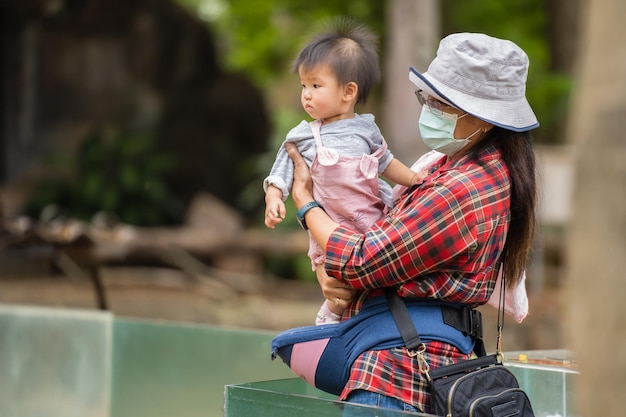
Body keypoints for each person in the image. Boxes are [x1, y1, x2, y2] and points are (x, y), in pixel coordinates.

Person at [284, 32, 539, 414]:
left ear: (483, 118)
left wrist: (305, 202)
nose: (428, 109)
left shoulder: (464, 188)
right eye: (427, 98)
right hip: (430, 365)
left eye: (440, 103)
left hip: (397, 375)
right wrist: (331, 274)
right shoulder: (454, 169)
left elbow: (361, 259)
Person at [263, 18, 426, 325]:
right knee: (336, 282)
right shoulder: (305, 134)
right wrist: (274, 196)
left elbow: (386, 163)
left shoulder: (367, 129)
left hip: (370, 217)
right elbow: (283, 166)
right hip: (330, 225)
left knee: (377, 270)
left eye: (315, 85)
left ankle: (378, 315)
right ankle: (330, 317)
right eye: (303, 86)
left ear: (348, 91)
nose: (306, 95)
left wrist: (416, 180)